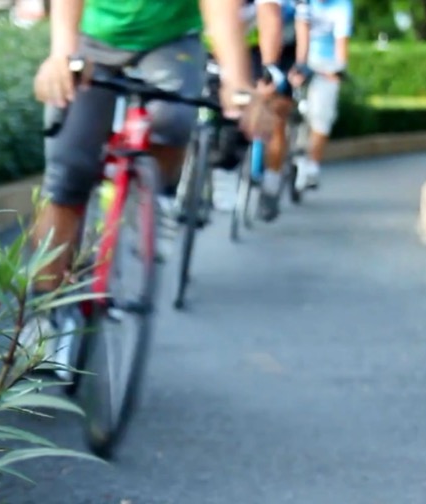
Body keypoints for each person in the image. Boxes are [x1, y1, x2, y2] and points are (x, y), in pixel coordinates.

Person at [20, 0, 276, 375]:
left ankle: (154, 197)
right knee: (67, 176)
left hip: (169, 43)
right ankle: (41, 316)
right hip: (93, 38)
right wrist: (63, 53)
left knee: (174, 119)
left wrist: (237, 84)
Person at [209, 0, 311, 222]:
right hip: (242, 37)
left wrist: (272, 70)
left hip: (283, 47)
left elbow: (280, 22)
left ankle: (271, 185)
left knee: (276, 114)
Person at [292, 0, 352, 191]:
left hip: (326, 66)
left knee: (321, 117)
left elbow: (341, 42)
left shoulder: (342, 6)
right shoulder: (303, 4)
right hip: (302, 62)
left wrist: (338, 69)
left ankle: (312, 166)